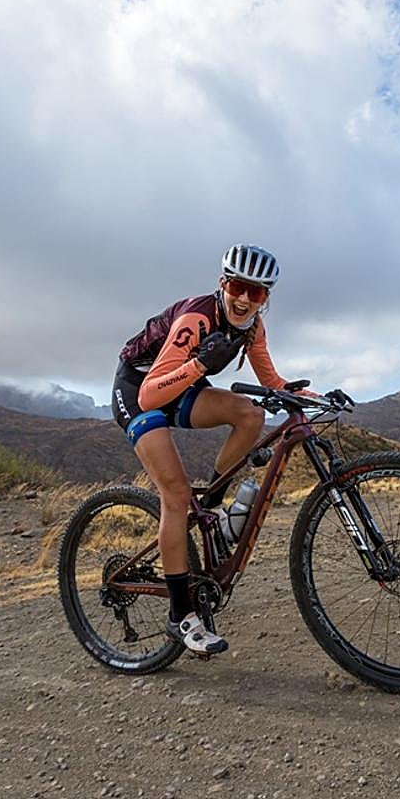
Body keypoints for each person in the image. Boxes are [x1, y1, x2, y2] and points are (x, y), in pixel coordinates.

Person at [111, 244, 312, 655]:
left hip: (182, 383)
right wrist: (201, 365)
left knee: (251, 415)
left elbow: (272, 381)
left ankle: (213, 512)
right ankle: (180, 617)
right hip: (139, 388)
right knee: (176, 494)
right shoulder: (197, 319)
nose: (245, 299)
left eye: (257, 292)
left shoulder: (253, 327)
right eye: (238, 287)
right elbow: (150, 395)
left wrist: (312, 397)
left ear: (265, 298)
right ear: (223, 284)